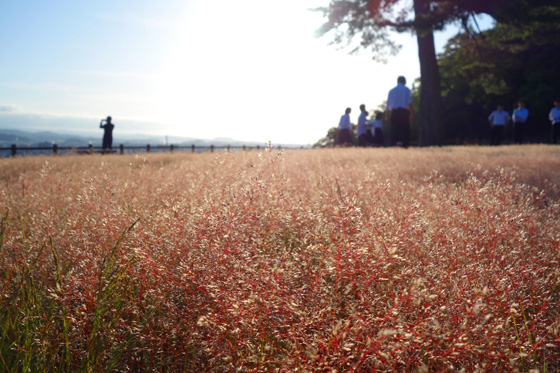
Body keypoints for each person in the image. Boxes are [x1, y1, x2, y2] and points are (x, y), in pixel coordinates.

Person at [386, 76, 413, 148]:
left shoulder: (391, 91)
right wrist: (412, 113)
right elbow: (409, 102)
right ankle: (405, 146)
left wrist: (387, 116)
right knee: (406, 130)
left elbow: (388, 105)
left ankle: (393, 146)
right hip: (404, 112)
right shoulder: (406, 89)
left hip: (394, 112)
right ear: (404, 81)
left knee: (394, 130)